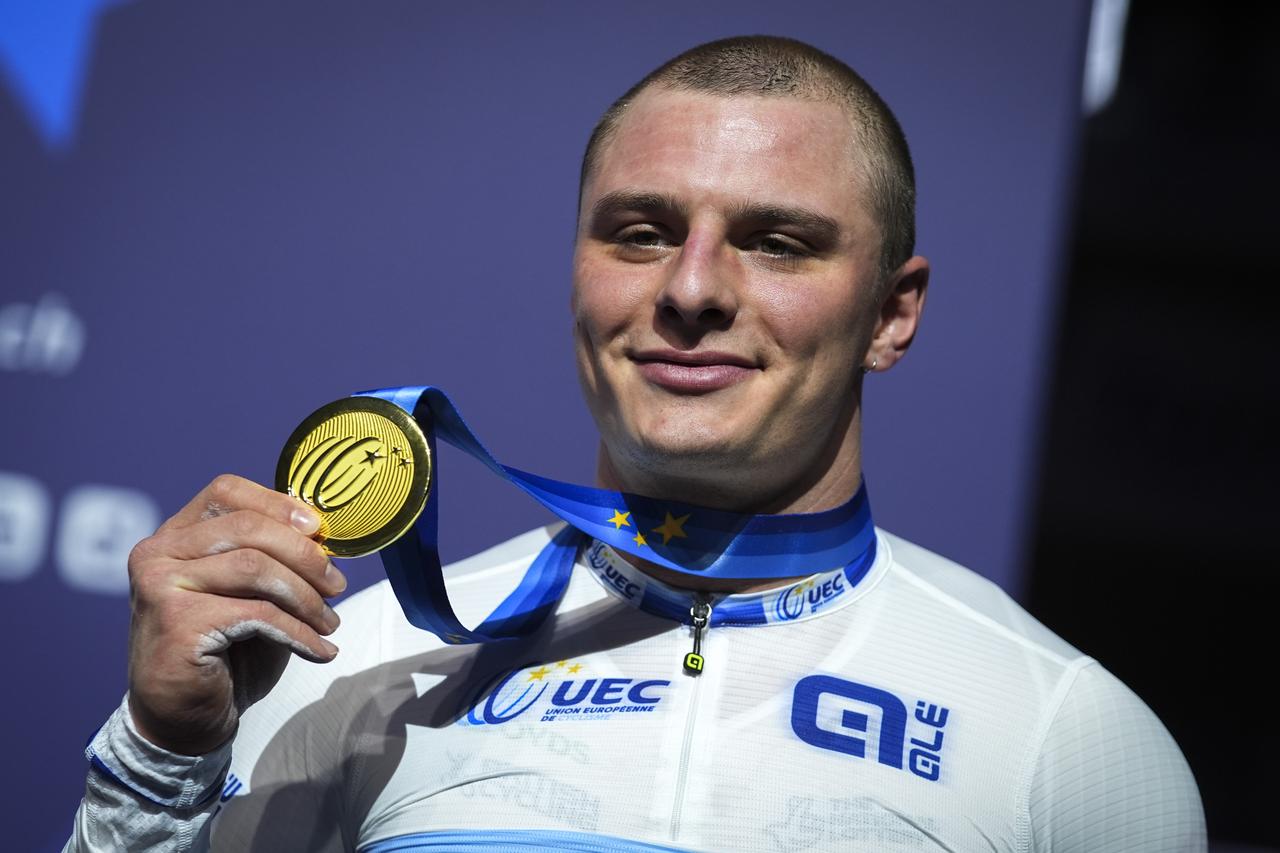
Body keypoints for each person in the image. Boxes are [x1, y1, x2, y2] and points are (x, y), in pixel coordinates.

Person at [65, 35, 1205, 852]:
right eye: (642, 232)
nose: (692, 289)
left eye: (777, 242)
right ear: (576, 270)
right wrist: (160, 759)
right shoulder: (350, 671)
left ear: (891, 314)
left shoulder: (1066, 740)